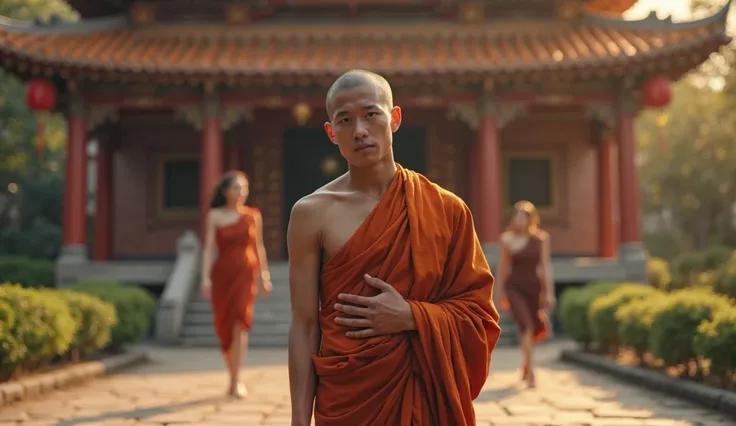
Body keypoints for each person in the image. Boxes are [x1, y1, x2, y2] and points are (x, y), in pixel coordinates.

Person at [287, 69, 501, 426]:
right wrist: (298, 420)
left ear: (395, 118)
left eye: (371, 114)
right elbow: (305, 326)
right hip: (348, 399)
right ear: (331, 132)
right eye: (345, 119)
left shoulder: (446, 209)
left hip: (422, 394)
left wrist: (412, 317)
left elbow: (479, 315)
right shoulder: (312, 214)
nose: (359, 130)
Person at [200, 171, 273, 398]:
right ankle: (232, 374)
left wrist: (265, 276)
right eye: (235, 188)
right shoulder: (214, 216)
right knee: (224, 325)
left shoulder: (253, 216)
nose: (240, 193)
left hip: (245, 273)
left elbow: (258, 247)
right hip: (222, 275)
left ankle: (236, 380)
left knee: (240, 322)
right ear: (225, 191)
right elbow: (209, 249)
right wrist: (205, 278)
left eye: (243, 188)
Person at [496, 200, 555, 388]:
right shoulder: (506, 239)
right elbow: (502, 269)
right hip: (514, 288)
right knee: (526, 326)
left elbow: (545, 266)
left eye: (525, 217)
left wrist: (549, 293)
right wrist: (498, 295)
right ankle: (531, 371)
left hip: (534, 288)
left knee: (531, 328)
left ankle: (525, 365)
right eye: (518, 216)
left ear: (531, 219)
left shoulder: (541, 238)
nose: (521, 221)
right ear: (513, 219)